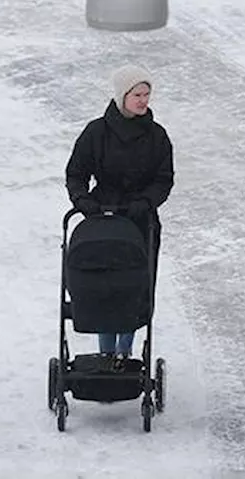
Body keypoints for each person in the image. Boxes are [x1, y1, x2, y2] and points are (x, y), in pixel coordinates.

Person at [65, 64, 174, 362]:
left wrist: (147, 201)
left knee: (135, 287)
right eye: (137, 94)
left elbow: (164, 178)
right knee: (101, 284)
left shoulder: (157, 136)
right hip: (102, 218)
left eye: (147, 94)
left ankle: (125, 351)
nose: (143, 100)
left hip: (140, 219)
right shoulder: (96, 132)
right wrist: (82, 200)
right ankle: (106, 352)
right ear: (121, 96)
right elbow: (76, 172)